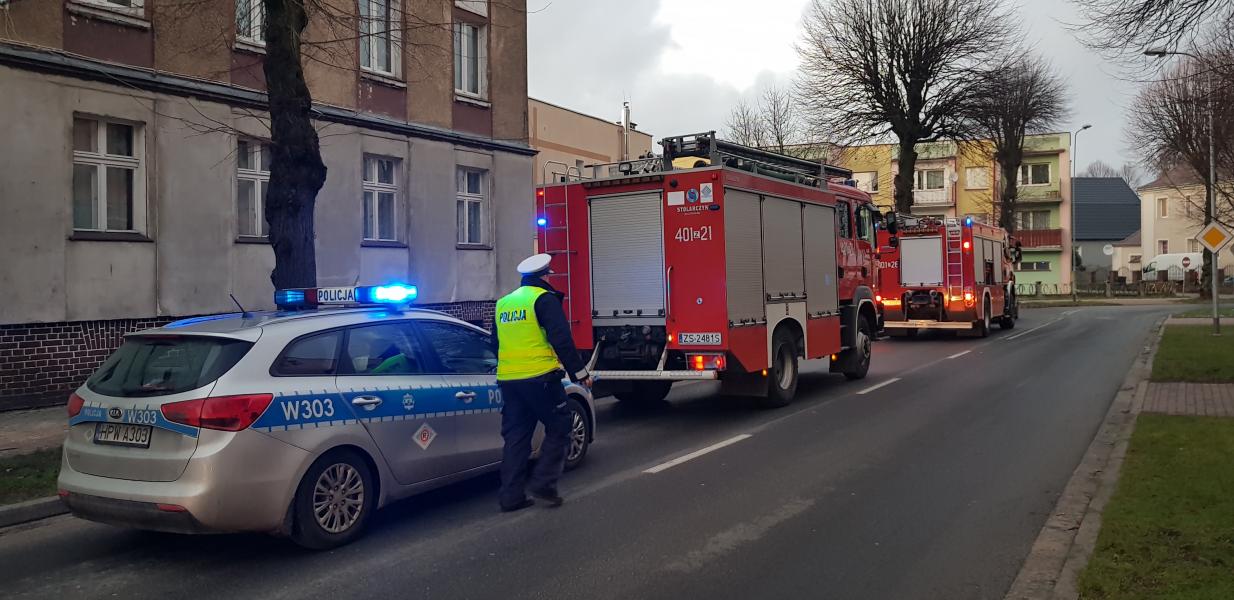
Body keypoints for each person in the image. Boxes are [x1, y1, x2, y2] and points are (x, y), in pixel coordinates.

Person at [494, 254, 591, 512]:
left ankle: (510, 497)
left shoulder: (503, 304)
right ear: (544, 276)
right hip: (540, 379)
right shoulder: (543, 299)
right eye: (549, 274)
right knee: (560, 426)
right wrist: (580, 373)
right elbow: (561, 339)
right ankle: (544, 483)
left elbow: (496, 344)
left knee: (516, 436)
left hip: (509, 380)